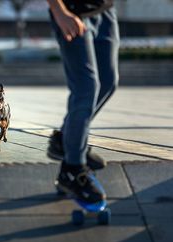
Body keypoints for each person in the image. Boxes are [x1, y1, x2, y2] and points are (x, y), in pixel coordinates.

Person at [47, 0, 119, 204]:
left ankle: (65, 140)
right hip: (71, 14)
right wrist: (59, 10)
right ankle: (73, 170)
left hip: (105, 12)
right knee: (86, 88)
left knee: (108, 83)